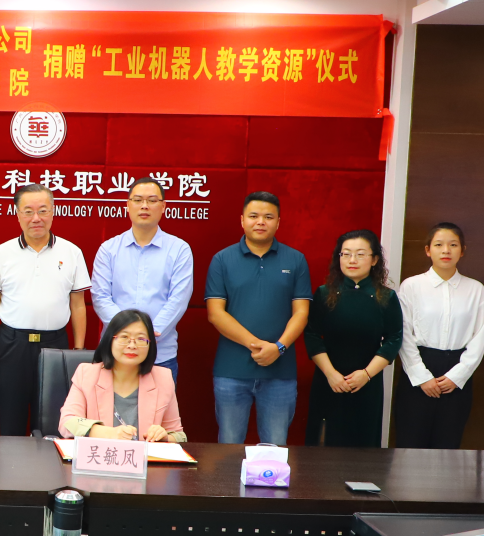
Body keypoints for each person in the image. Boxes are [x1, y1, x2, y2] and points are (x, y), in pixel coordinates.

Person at [0, 183, 90, 435]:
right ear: (17, 214)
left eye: (43, 210)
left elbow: (78, 305)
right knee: (11, 423)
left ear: (53, 211)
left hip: (55, 345)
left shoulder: (72, 252)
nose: (36, 218)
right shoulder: (0, 254)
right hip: (12, 346)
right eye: (28, 211)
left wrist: (78, 353)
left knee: (52, 423)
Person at [205, 191, 311, 445]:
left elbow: (302, 312)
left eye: (268, 217)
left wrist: (279, 347)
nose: (260, 222)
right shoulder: (222, 259)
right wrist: (256, 344)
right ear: (242, 220)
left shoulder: (295, 260)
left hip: (280, 372)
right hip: (231, 371)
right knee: (229, 447)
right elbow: (215, 313)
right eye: (253, 216)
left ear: (278, 222)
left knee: (275, 448)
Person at [395, 222, 484, 449]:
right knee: (410, 444)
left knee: (447, 446)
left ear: (462, 250)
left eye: (453, 245)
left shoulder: (476, 290)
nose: (446, 250)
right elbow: (404, 334)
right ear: (428, 250)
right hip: (418, 370)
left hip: (456, 374)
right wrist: (421, 376)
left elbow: (478, 339)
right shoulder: (411, 286)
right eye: (438, 245)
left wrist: (458, 376)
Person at [305, 230, 403, 448]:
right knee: (324, 448)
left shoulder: (386, 296)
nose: (352, 260)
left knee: (363, 448)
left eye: (360, 254)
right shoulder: (324, 294)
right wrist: (331, 374)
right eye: (346, 254)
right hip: (329, 380)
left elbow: (394, 338)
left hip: (367, 382)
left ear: (374, 259)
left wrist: (366, 374)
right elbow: (312, 335)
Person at [90, 177, 193, 381]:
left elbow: (178, 300)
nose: (144, 206)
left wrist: (147, 335)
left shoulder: (179, 249)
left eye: (152, 200)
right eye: (137, 200)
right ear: (128, 205)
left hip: (160, 355)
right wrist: (127, 335)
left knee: (157, 404)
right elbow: (100, 297)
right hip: (115, 352)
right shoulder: (108, 249)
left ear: (163, 206)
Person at [59, 309, 186, 443]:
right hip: (99, 455)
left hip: (144, 456)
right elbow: (67, 422)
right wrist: (108, 433)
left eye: (141, 339)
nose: (132, 345)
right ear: (110, 340)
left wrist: (164, 437)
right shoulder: (87, 374)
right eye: (124, 337)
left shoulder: (163, 378)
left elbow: (179, 436)